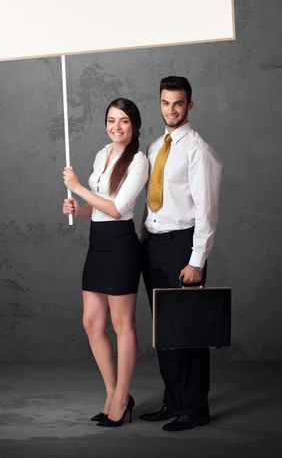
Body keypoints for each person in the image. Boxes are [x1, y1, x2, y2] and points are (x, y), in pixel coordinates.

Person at [140, 76, 222, 431]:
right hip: (154, 245)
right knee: (165, 333)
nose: (171, 109)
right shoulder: (155, 147)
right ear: (159, 103)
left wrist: (196, 260)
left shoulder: (198, 150)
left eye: (178, 103)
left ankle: (195, 409)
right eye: (165, 102)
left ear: (190, 105)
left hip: (183, 246)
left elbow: (207, 210)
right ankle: (172, 402)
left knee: (189, 332)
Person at [62, 98, 148, 427]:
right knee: (92, 324)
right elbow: (99, 210)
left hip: (122, 247)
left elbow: (117, 209)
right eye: (112, 120)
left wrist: (78, 187)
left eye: (124, 121)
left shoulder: (138, 161)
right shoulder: (102, 153)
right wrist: (77, 209)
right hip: (97, 244)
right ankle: (113, 393)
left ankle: (122, 397)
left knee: (122, 325)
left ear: (134, 125)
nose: (116, 126)